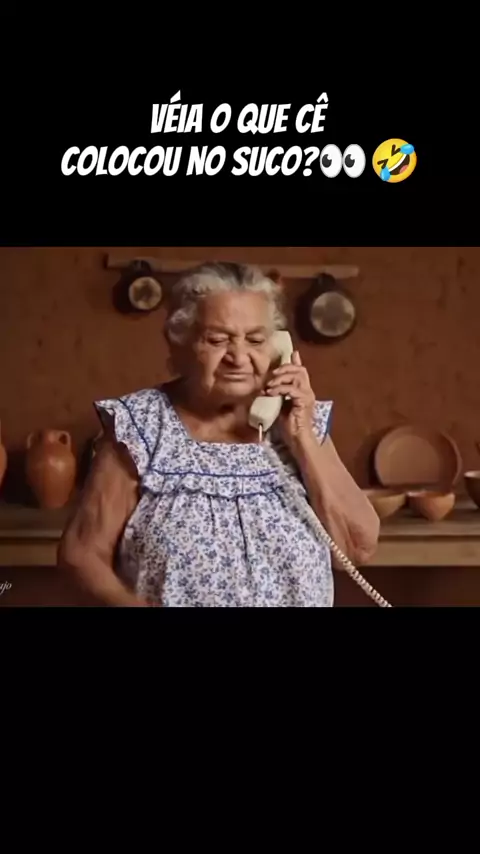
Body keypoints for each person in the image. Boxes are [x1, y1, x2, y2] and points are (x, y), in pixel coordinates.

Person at [57, 262, 379, 607]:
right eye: (217, 339)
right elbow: (82, 554)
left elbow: (357, 547)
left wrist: (302, 437)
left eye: (255, 339)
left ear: (275, 347)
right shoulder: (140, 426)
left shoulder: (298, 422)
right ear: (180, 343)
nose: (238, 357)